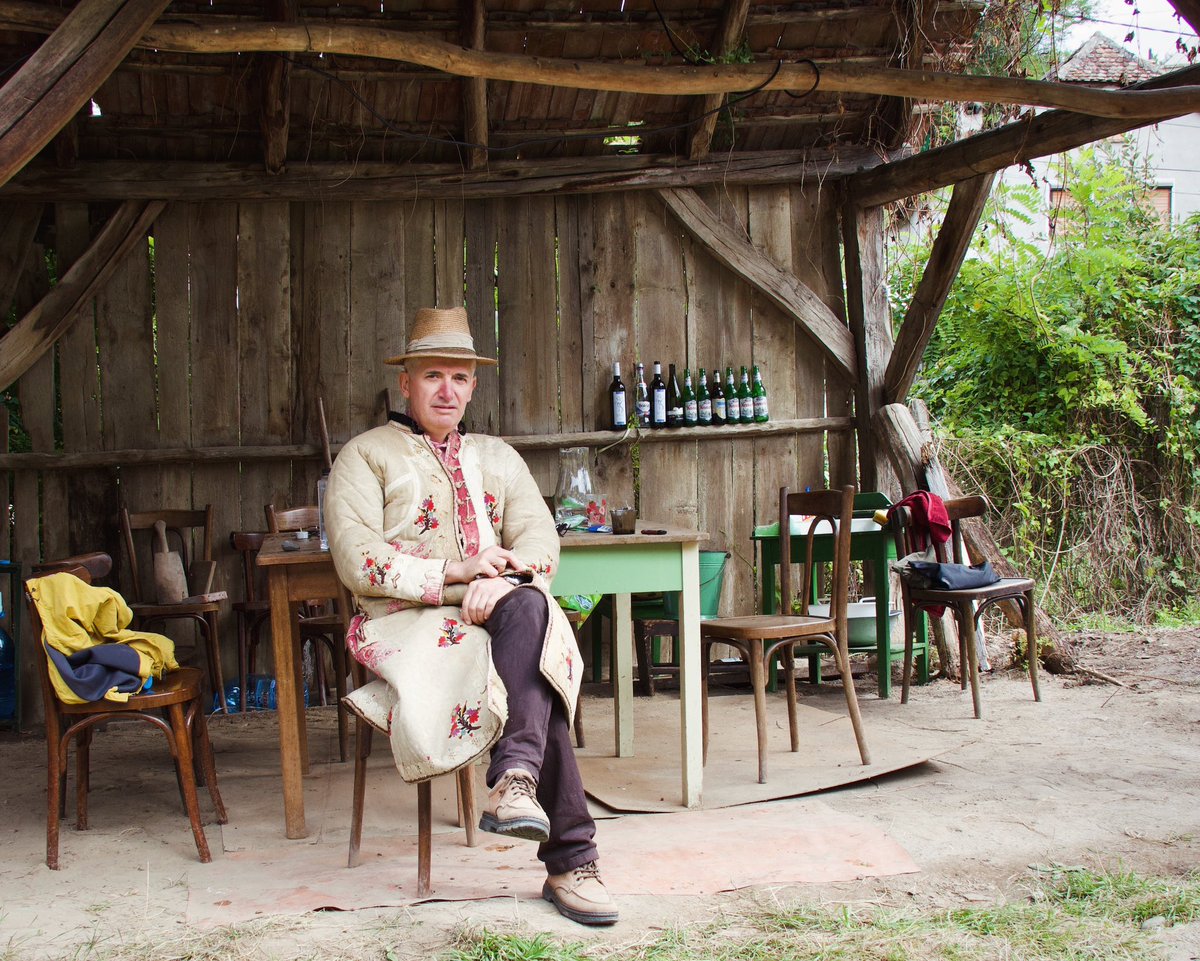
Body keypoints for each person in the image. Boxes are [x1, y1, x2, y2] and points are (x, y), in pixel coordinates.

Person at [324, 306, 617, 926]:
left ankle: (514, 778)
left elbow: (540, 539)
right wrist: (456, 577)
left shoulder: (498, 457)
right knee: (534, 672)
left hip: (500, 610)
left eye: (459, 377)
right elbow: (357, 559)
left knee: (531, 606)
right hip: (405, 619)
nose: (447, 390)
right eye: (433, 376)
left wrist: (505, 580)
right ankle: (571, 859)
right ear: (405, 382)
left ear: (474, 385)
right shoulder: (365, 456)